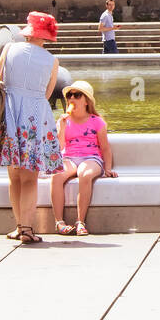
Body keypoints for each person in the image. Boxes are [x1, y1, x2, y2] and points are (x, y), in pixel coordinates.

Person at [0, 11, 62, 245]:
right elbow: (47, 94)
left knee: (14, 177)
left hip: (9, 114)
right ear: (47, 35)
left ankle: (19, 226)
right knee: (30, 178)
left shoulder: (9, 49)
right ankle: (28, 229)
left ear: (28, 32)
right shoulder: (52, 61)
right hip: (34, 117)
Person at [50, 81, 115, 236]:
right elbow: (59, 148)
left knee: (84, 174)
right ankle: (59, 223)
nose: (72, 98)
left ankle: (80, 222)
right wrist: (61, 128)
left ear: (86, 101)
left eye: (77, 95)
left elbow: (105, 148)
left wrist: (108, 168)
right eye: (69, 95)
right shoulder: (64, 121)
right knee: (57, 176)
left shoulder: (96, 121)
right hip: (69, 157)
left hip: (91, 158)